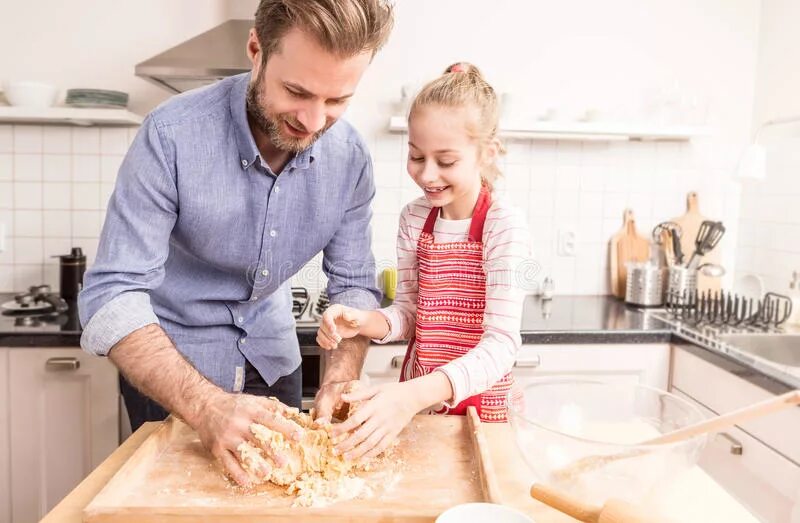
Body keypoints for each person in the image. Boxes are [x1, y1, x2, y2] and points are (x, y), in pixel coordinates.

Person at [77, 0, 394, 486]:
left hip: (274, 368)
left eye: (336, 101)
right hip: (173, 382)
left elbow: (353, 288)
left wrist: (339, 378)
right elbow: (110, 294)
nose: (313, 122)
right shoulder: (171, 135)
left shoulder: (350, 159)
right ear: (255, 49)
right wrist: (206, 406)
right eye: (296, 91)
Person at [316, 62, 531, 460]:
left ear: (487, 153)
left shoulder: (503, 227)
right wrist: (367, 321)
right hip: (418, 405)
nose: (427, 174)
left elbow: (501, 345)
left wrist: (414, 394)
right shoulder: (415, 219)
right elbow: (412, 312)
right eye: (416, 156)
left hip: (481, 412)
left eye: (445, 161)